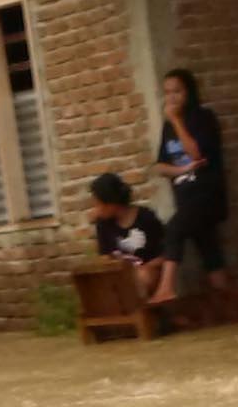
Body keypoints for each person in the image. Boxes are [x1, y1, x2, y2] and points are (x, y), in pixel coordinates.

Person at [149, 68, 230, 304]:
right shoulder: (167, 128)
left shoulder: (204, 119)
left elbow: (196, 152)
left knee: (174, 230)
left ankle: (166, 289)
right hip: (185, 196)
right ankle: (228, 301)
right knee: (209, 251)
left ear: (189, 92)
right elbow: (159, 167)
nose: (172, 98)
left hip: (206, 195)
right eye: (167, 93)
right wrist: (182, 170)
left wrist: (176, 120)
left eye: (177, 91)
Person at [89, 172, 169, 300]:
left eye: (98, 204)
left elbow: (167, 253)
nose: (96, 209)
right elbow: (105, 258)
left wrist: (147, 267)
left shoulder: (145, 218)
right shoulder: (103, 224)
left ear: (111, 203)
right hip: (121, 275)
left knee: (142, 277)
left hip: (148, 273)